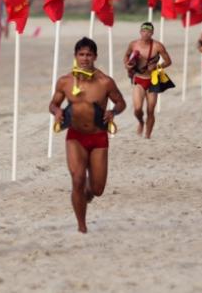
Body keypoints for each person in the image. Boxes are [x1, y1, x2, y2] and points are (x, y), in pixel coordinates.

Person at [49, 37, 126, 233]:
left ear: (95, 57)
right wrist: (57, 112)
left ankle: (88, 193)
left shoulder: (105, 82)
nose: (85, 58)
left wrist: (113, 112)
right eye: (81, 54)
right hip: (75, 137)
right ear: (75, 56)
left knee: (97, 189)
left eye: (89, 55)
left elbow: (121, 103)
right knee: (77, 179)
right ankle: (81, 226)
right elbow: (53, 103)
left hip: (98, 137)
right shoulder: (65, 82)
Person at [123, 22, 172, 139]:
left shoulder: (157, 46)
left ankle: (147, 135)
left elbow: (168, 61)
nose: (146, 34)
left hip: (153, 80)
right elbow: (126, 56)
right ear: (140, 32)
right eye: (144, 31)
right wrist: (127, 65)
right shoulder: (133, 44)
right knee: (137, 108)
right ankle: (140, 122)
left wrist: (157, 67)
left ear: (152, 33)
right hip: (139, 79)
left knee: (150, 109)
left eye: (149, 32)